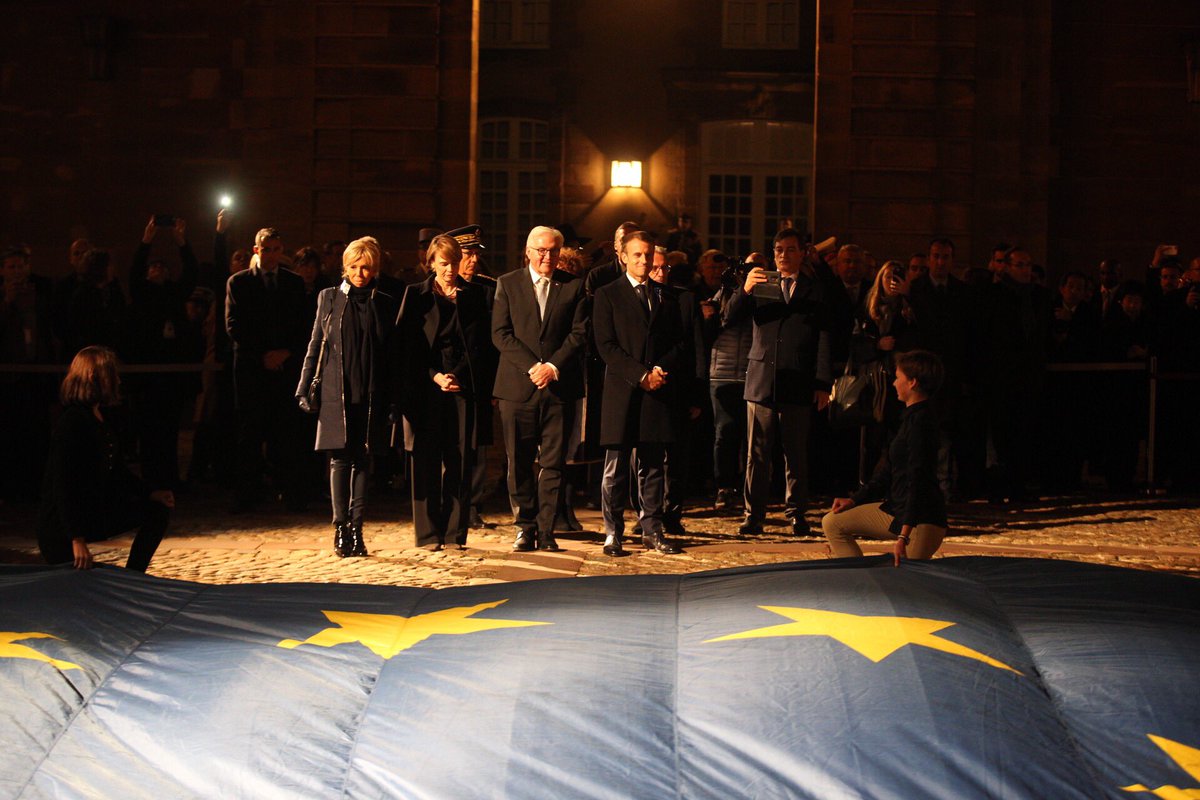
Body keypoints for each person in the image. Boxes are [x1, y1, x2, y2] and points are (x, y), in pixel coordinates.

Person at [296, 236, 398, 558]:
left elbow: (390, 353)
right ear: (345, 266)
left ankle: (357, 527)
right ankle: (340, 527)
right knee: (339, 460)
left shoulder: (383, 302)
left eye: (366, 267)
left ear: (374, 269)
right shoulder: (328, 298)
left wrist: (395, 397)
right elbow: (316, 344)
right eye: (354, 267)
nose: (360, 273)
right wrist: (303, 386)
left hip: (371, 392)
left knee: (364, 458)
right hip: (336, 391)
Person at [729, 227, 832, 537]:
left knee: (795, 453)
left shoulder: (815, 289)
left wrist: (823, 383)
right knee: (756, 454)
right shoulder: (761, 284)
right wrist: (744, 289)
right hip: (762, 379)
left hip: (798, 380)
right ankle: (753, 516)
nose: (783, 255)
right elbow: (729, 318)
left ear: (802, 253)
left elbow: (824, 336)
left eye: (790, 249)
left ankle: (797, 514)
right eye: (778, 250)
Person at [492, 226, 589, 552]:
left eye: (553, 251)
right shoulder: (508, 283)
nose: (547, 257)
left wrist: (553, 367)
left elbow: (578, 333)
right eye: (541, 250)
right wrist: (534, 367)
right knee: (518, 462)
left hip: (559, 388)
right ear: (528, 251)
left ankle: (546, 530)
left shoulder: (573, 286)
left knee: (553, 463)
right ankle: (524, 527)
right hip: (518, 388)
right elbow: (500, 333)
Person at [592, 231, 688, 556]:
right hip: (622, 390)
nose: (643, 261)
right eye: (637, 255)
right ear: (623, 257)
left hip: (656, 392)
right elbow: (605, 345)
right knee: (615, 467)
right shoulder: (607, 295)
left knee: (654, 465)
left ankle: (652, 530)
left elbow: (678, 342)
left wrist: (659, 371)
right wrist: (640, 374)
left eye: (647, 255)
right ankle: (612, 533)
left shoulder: (665, 296)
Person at [37, 346, 174, 571]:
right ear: (95, 377)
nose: (118, 381)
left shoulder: (98, 417)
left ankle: (133, 576)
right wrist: (76, 539)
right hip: (62, 527)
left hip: (90, 513)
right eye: (113, 375)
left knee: (157, 511)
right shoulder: (72, 422)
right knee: (82, 583)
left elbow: (117, 470)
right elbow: (63, 485)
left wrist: (150, 493)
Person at [395, 234, 491, 551]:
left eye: (455, 262)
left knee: (460, 461)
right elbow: (407, 350)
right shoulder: (416, 295)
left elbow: (482, 346)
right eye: (444, 263)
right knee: (425, 462)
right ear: (432, 262)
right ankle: (427, 534)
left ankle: (454, 533)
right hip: (426, 390)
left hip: (463, 388)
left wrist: (457, 376)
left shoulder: (475, 295)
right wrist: (436, 377)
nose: (450, 269)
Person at [822, 350, 947, 565]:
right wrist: (854, 500)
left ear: (913, 383)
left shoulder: (921, 423)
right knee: (833, 522)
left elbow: (919, 481)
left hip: (921, 521)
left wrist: (903, 536)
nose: (893, 383)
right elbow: (887, 473)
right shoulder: (908, 418)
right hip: (897, 512)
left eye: (898, 378)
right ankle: (860, 581)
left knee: (906, 583)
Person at [225, 226, 312, 512]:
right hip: (251, 369)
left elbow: (304, 325)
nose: (272, 255)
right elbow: (234, 326)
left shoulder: (294, 283)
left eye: (276, 249)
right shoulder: (238, 283)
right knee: (249, 432)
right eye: (266, 249)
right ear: (256, 250)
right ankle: (247, 494)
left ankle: (289, 491)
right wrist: (263, 354)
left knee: (286, 431)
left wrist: (284, 352)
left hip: (285, 369)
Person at [447, 224, 499, 529]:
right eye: (466, 254)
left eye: (475, 255)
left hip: (478, 379)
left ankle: (472, 505)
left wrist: (494, 386)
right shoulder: (434, 288)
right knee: (450, 445)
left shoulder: (487, 289)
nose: (473, 261)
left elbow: (493, 342)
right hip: (446, 378)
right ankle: (450, 503)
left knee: (478, 446)